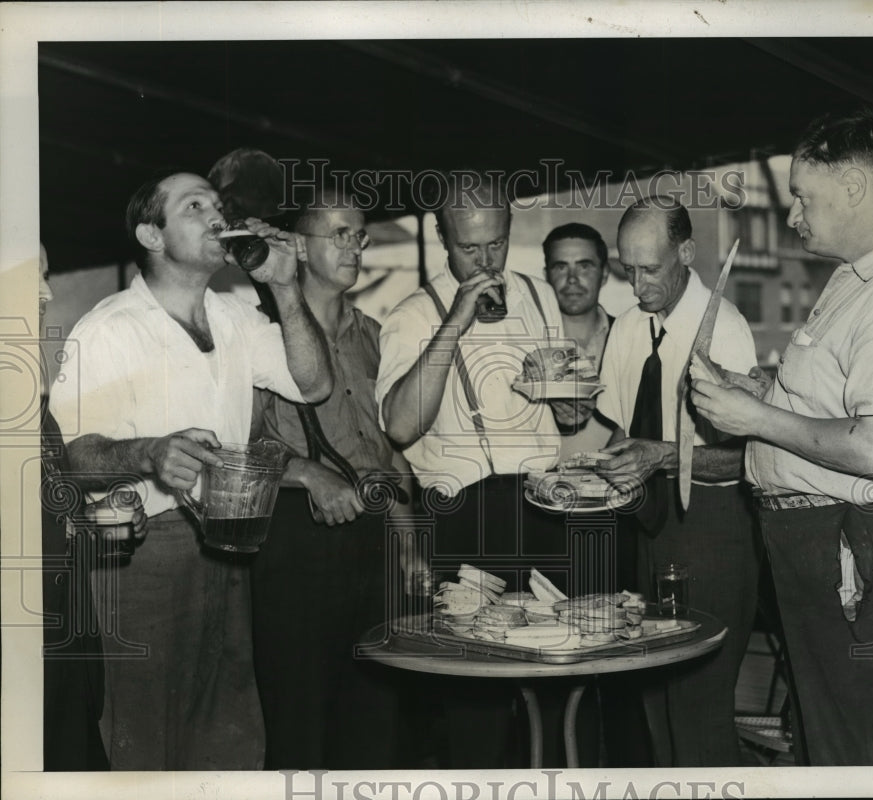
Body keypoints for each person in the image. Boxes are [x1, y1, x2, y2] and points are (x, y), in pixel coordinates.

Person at [690, 110, 873, 765]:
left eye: (805, 197)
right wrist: (759, 393)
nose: (793, 216)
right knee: (824, 743)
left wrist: (754, 421)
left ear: (855, 189)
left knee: (859, 753)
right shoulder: (856, 280)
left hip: (857, 542)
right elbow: (836, 401)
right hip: (831, 540)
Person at [47, 171, 333, 770]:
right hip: (142, 555)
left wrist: (284, 288)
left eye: (218, 205)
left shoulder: (233, 316)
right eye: (193, 206)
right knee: (145, 735)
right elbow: (69, 455)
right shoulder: (108, 328)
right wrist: (146, 453)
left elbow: (315, 383)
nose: (215, 216)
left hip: (230, 538)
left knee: (227, 726)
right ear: (151, 234)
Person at [376, 171, 588, 767]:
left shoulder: (540, 295)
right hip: (465, 516)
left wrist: (569, 405)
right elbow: (398, 426)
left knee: (556, 674)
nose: (485, 259)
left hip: (545, 505)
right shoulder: (412, 314)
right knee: (477, 693)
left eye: (495, 243)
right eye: (470, 248)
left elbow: (563, 414)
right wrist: (454, 324)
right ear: (444, 240)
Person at [248, 188, 418, 769]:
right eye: (339, 233)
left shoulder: (376, 335)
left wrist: (407, 538)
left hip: (372, 538)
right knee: (300, 717)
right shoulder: (259, 336)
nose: (355, 246)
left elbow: (389, 453)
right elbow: (230, 448)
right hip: (295, 536)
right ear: (297, 244)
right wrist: (304, 473)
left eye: (360, 234)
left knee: (375, 714)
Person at [595, 198, 760, 767]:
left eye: (651, 269)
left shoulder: (727, 330)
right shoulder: (625, 329)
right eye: (627, 270)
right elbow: (621, 433)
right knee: (652, 703)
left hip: (712, 536)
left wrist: (663, 456)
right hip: (644, 533)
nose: (638, 286)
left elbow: (743, 460)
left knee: (698, 708)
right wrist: (601, 471)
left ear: (686, 253)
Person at [38, 243, 148, 771]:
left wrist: (95, 525)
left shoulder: (31, 402)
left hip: (63, 648)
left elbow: (44, 518)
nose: (46, 292)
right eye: (28, 277)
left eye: (46, 273)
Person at [542, 223, 617, 459]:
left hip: (621, 487)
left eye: (584, 266)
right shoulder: (529, 343)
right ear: (546, 276)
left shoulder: (632, 337)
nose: (572, 279)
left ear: (604, 274)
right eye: (560, 267)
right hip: (542, 488)